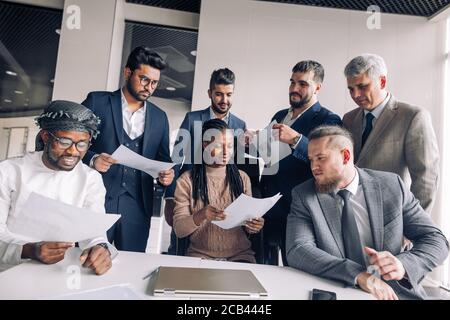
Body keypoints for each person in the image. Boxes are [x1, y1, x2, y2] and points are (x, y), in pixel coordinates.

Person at [286, 125, 449, 300]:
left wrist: (403, 264)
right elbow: (298, 249)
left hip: (395, 292)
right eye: (311, 159)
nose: (313, 166)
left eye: (320, 158)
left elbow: (436, 240)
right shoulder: (304, 195)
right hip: (336, 289)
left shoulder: (391, 186)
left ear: (345, 156)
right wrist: (359, 275)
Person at [0, 100, 116, 274]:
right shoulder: (8, 171)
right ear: (46, 136)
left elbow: (94, 232)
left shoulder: (91, 179)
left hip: (61, 272)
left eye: (82, 144)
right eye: (64, 141)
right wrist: (31, 250)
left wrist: (100, 248)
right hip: (10, 271)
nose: (73, 151)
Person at [82, 46, 174, 252]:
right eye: (144, 79)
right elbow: (70, 143)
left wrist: (166, 177)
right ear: (127, 72)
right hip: (96, 200)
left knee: (131, 265)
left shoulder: (160, 118)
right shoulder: (97, 102)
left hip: (138, 206)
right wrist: (92, 158)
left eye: (154, 83)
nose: (149, 87)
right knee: (88, 260)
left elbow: (164, 159)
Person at [165, 68, 260, 254]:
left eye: (229, 95)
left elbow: (237, 164)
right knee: (179, 243)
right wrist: (169, 197)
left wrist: (251, 146)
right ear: (210, 93)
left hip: (224, 196)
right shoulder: (192, 119)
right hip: (192, 193)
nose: (224, 100)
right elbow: (176, 158)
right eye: (219, 94)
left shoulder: (239, 125)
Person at [259, 60, 341, 265]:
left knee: (295, 269)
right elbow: (269, 156)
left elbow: (327, 162)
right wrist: (254, 143)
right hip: (267, 207)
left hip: (299, 211)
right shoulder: (279, 116)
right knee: (263, 269)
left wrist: (296, 139)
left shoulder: (329, 119)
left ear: (317, 88)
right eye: (292, 82)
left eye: (303, 84)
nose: (294, 89)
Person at [342, 53, 439, 213]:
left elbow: (426, 178)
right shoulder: (349, 119)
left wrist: (413, 226)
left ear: (382, 81)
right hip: (352, 214)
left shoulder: (413, 116)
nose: (355, 95)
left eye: (362, 86)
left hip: (394, 215)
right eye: (351, 89)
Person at [172, 119, 264, 262]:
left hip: (240, 256)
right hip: (199, 256)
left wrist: (254, 226)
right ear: (205, 145)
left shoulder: (242, 178)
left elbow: (248, 227)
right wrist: (201, 215)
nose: (226, 152)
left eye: (229, 146)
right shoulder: (186, 181)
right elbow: (179, 229)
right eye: (219, 146)